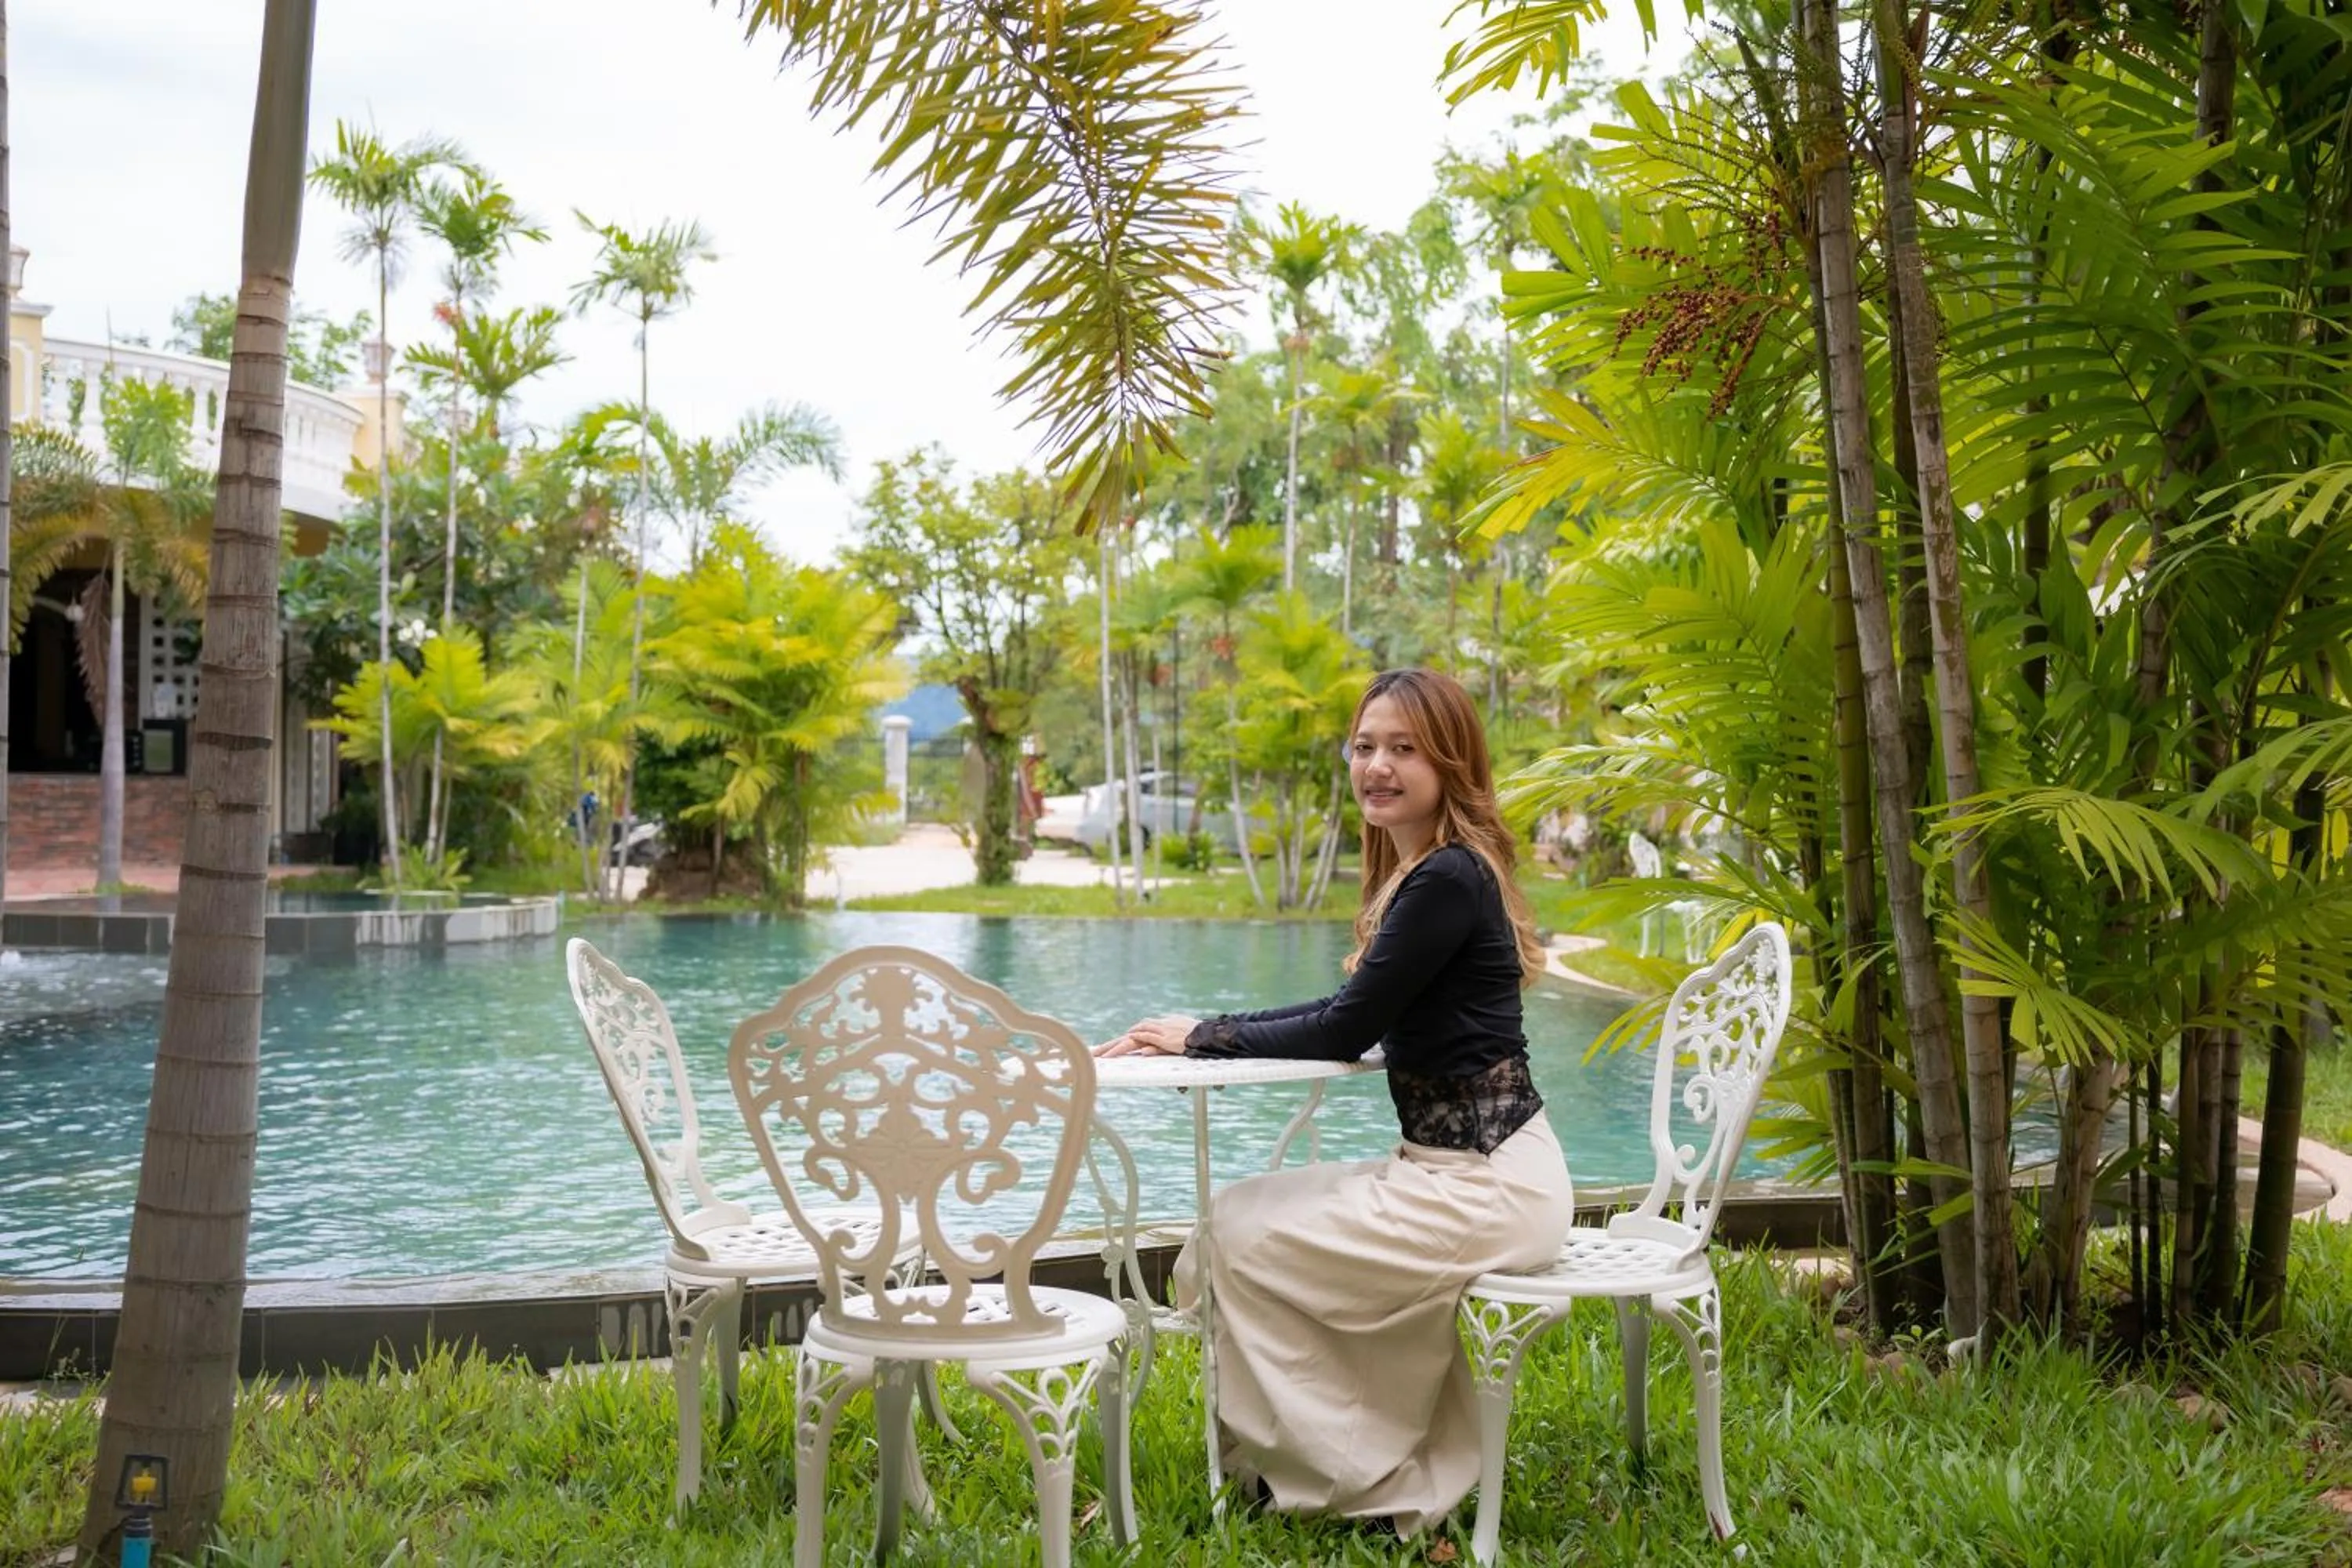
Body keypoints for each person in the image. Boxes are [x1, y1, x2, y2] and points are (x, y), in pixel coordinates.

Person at [1094, 666, 1574, 1538]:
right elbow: (1339, 1014)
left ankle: (1359, 1474)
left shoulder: (1446, 878)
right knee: (1234, 1216)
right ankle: (1314, 1452)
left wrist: (1203, 1032)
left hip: (1489, 1184)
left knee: (1243, 1238)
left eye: (1403, 747)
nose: (1377, 765)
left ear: (1449, 760)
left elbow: (1343, 1028)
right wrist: (1200, 1027)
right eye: (1364, 746)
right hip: (1452, 1169)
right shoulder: (1434, 873)